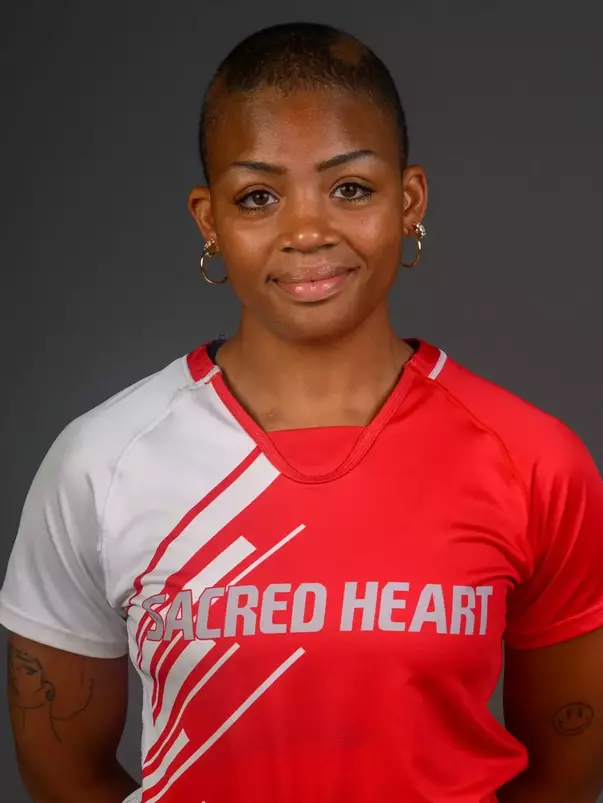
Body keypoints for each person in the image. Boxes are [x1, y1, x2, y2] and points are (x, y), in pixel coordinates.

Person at [1, 20, 602, 803]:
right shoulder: (100, 462)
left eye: (350, 188)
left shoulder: (534, 461)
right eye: (257, 196)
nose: (308, 230)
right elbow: (60, 768)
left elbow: (565, 768)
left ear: (408, 199)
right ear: (209, 221)